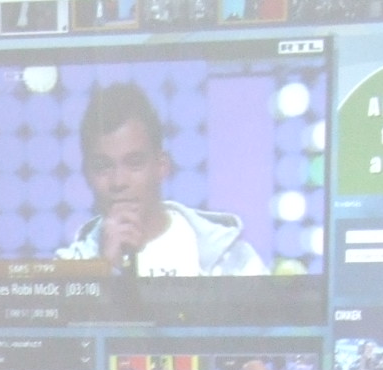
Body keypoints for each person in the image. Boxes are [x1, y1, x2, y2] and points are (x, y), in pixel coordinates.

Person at [55, 81, 266, 277]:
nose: (119, 182)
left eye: (134, 163)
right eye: (103, 167)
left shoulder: (231, 258)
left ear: (161, 166)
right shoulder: (66, 271)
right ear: (86, 175)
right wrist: (105, 270)